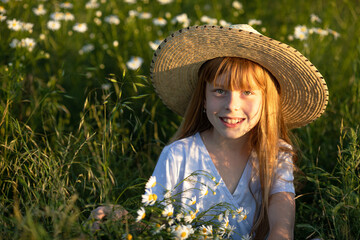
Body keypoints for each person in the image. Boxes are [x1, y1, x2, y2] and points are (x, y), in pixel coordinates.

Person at [91, 24, 329, 239]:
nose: (232, 105)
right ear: (203, 99)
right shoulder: (178, 155)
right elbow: (158, 225)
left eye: (247, 92)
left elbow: (281, 226)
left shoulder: (275, 153)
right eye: (219, 91)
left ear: (266, 101)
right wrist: (124, 220)